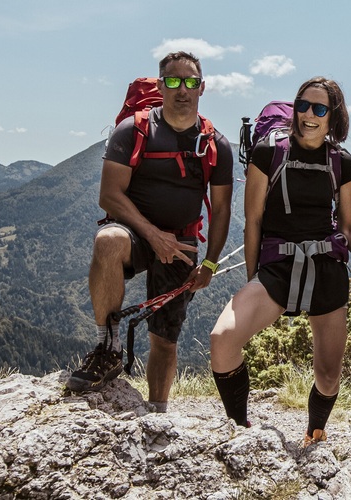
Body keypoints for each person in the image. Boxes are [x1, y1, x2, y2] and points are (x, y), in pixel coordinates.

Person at [209, 77, 351, 444]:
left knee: (328, 375)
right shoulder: (267, 152)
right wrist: (253, 277)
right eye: (303, 105)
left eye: (319, 109)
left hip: (326, 268)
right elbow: (255, 221)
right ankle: (241, 428)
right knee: (222, 339)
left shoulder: (340, 160)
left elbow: (347, 223)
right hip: (276, 266)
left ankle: (313, 435)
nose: (309, 114)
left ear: (333, 117)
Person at [66, 52, 234, 414]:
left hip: (182, 245)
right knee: (108, 241)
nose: (182, 90)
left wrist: (211, 263)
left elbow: (221, 209)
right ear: (160, 87)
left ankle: (157, 412)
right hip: (136, 234)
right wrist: (154, 236)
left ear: (202, 88)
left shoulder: (215, 144)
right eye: (172, 82)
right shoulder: (134, 130)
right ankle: (108, 349)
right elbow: (109, 195)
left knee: (164, 339)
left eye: (190, 82)